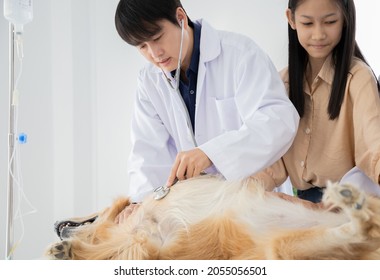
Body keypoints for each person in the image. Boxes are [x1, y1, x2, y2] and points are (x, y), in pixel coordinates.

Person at [113, 0, 300, 221]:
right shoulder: (149, 81)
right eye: (142, 46)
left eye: (156, 38)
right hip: (199, 211)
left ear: (180, 18)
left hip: (255, 202)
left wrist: (212, 153)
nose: (155, 53)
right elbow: (147, 151)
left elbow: (278, 121)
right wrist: (140, 202)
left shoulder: (240, 54)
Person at [254, 0, 380, 203]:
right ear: (291, 19)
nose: (318, 34)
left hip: (351, 201)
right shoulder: (281, 82)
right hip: (304, 201)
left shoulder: (358, 78)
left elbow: (373, 143)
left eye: (330, 22)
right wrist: (240, 192)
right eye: (308, 23)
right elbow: (273, 165)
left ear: (345, 20)